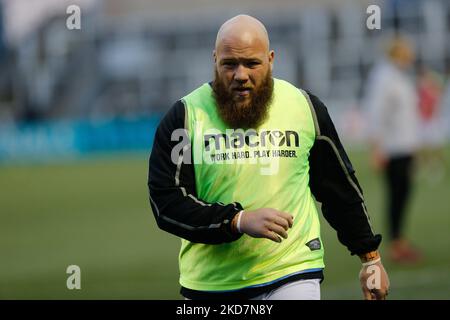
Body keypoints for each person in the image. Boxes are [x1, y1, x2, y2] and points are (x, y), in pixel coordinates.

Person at [148, 15, 389, 300]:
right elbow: (167, 203)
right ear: (214, 59)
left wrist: (370, 258)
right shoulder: (185, 117)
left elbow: (339, 188)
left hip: (293, 273)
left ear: (271, 59)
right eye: (229, 64)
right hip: (211, 286)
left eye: (252, 63)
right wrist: (237, 220)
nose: (240, 75)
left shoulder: (304, 107)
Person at [363, 36, 422, 264]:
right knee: (396, 196)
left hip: (404, 147)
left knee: (403, 195)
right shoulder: (384, 77)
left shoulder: (397, 76)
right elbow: (377, 114)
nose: (411, 57)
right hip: (393, 149)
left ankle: (400, 240)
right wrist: (377, 149)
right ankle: (397, 244)